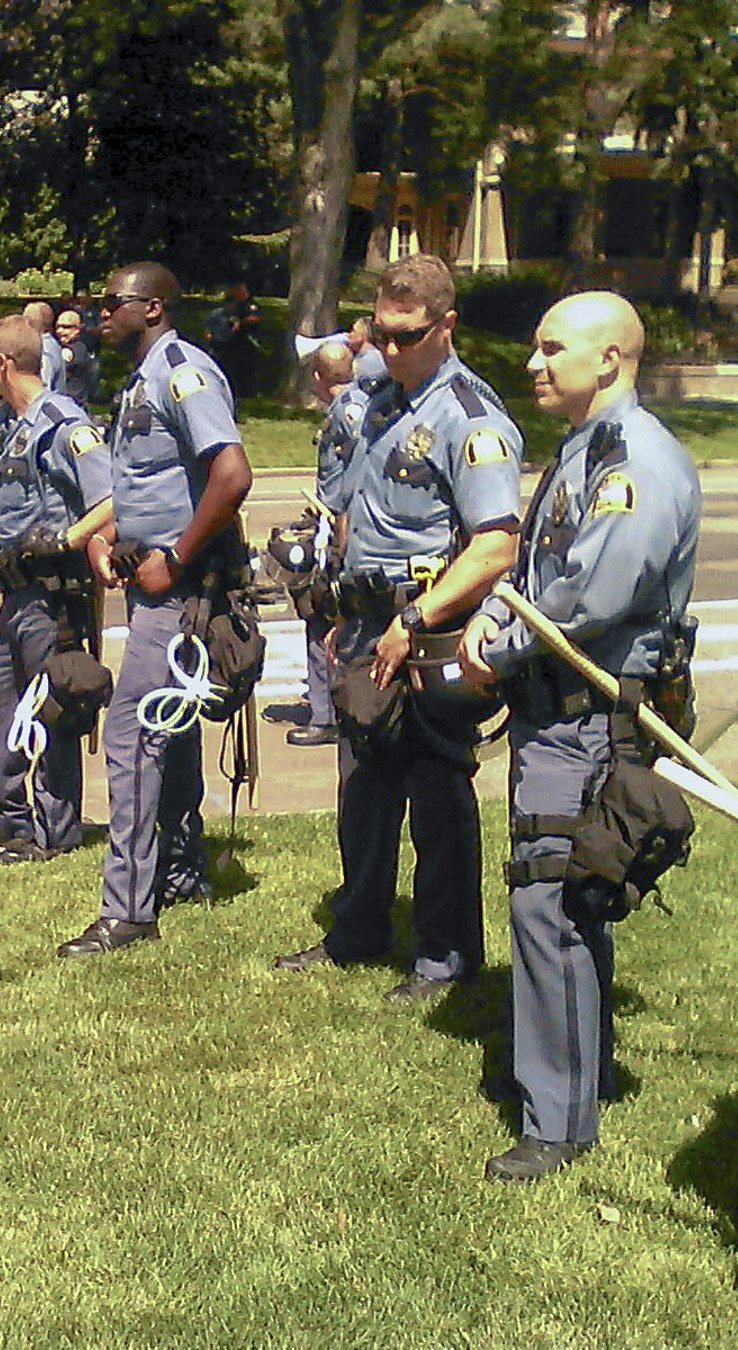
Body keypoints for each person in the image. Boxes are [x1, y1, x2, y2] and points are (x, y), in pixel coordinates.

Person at [458, 291, 700, 1181]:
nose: (533, 362)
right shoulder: (581, 454)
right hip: (552, 710)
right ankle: (572, 1084)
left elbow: (593, 596)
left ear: (610, 359)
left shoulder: (634, 462)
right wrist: (491, 618)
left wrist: (501, 647)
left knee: (552, 905)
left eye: (552, 348)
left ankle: (557, 1123)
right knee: (554, 895)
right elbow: (532, 567)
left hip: (590, 718)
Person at [274, 256, 522, 1011]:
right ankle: (359, 928)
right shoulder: (379, 400)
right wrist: (348, 614)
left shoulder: (470, 418)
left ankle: (446, 955)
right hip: (368, 622)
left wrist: (415, 621)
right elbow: (354, 511)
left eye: (406, 335)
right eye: (378, 331)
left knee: (437, 793)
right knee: (364, 786)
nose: (388, 346)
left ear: (445, 327)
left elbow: (496, 544)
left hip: (430, 629)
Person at [63, 261, 252, 958]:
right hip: (152, 579)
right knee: (168, 732)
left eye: (111, 303)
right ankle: (179, 869)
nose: (98, 314)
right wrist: (110, 538)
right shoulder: (141, 378)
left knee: (133, 735)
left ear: (153, 307)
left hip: (180, 588)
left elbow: (232, 474)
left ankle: (129, 908)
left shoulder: (183, 372)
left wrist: (172, 556)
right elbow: (149, 482)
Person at [0, 316, 112, 864]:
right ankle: (5, 815)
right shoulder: (17, 424)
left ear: (2, 363)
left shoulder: (63, 423)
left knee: (53, 707)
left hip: (53, 596)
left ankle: (55, 830)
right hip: (17, 592)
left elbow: (111, 497)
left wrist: (68, 537)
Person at [277, 339, 370, 748]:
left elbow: (347, 486)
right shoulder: (365, 405)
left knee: (320, 618)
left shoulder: (344, 414)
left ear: (319, 378)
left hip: (340, 531)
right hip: (340, 525)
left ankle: (326, 713)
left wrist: (337, 546)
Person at [206, 282, 262, 402]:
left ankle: (247, 394)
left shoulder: (249, 305)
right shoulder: (226, 308)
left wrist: (241, 322)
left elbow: (255, 318)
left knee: (244, 371)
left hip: (244, 343)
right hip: (226, 344)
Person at [54, 308, 99, 405]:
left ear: (79, 328)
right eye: (57, 326)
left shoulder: (74, 349)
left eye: (66, 327)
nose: (60, 331)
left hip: (71, 405)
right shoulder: (79, 348)